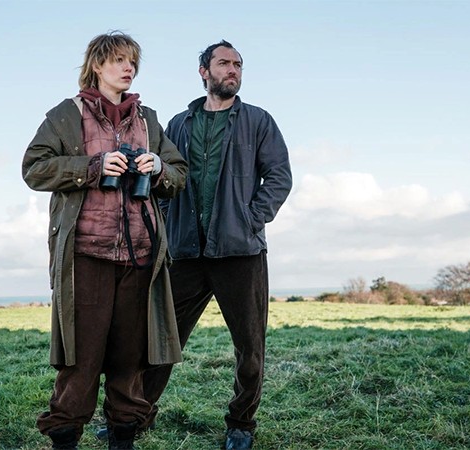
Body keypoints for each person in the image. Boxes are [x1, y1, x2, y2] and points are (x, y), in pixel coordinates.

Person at [22, 31, 188, 450]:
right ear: (97, 65)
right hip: (86, 254)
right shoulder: (67, 114)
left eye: (132, 61)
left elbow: (178, 174)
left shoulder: (148, 120)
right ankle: (65, 438)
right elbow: (34, 168)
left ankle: (123, 439)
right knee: (81, 358)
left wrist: (157, 168)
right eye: (118, 60)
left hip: (140, 256)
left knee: (130, 359)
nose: (128, 68)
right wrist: (93, 167)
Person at [136, 39, 292, 449]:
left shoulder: (258, 121)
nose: (233, 70)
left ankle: (241, 424)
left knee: (249, 348)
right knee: (162, 340)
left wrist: (251, 219)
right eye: (224, 63)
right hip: (185, 252)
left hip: (241, 252)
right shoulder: (178, 124)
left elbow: (279, 177)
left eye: (238, 64)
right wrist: (167, 226)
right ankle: (137, 415)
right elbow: (164, 181)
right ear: (204, 72)